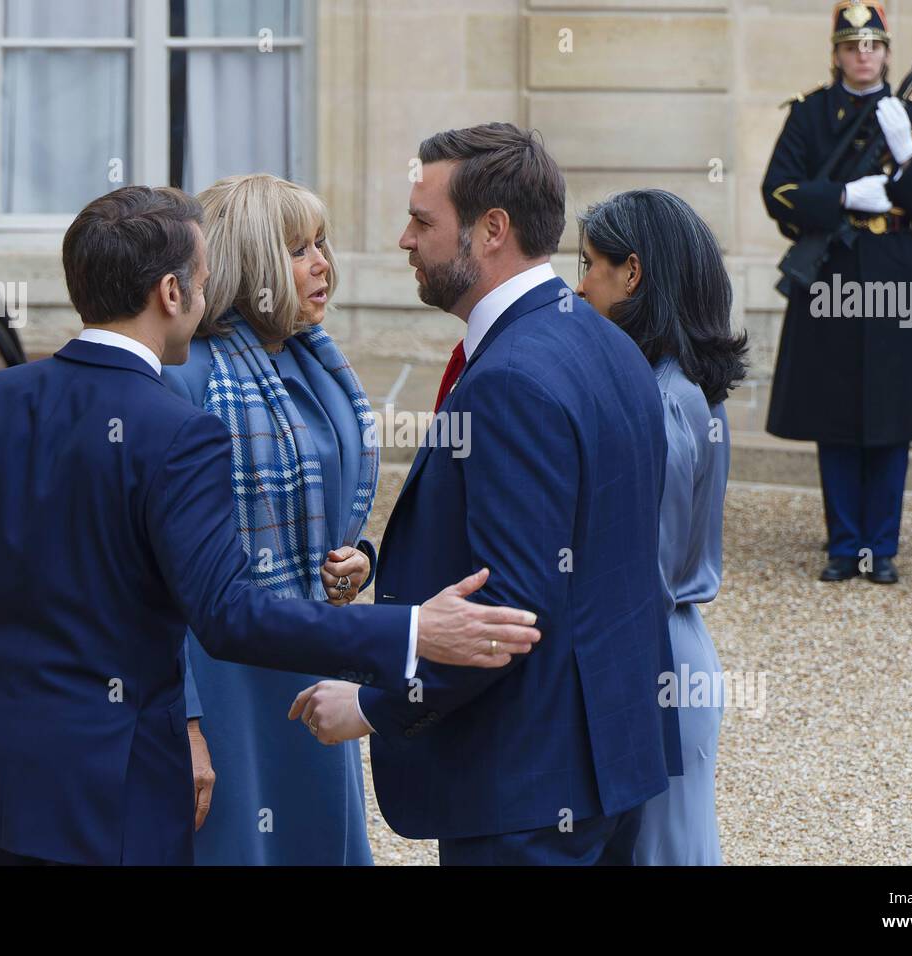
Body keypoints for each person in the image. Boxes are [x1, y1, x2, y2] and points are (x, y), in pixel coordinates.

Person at [0, 185, 542, 866]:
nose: (209, 295)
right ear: (172, 293)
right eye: (202, 280)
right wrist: (412, 630)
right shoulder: (178, 428)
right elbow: (226, 614)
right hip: (120, 782)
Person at [289, 123, 682, 866]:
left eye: (423, 220)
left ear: (491, 229)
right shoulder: (609, 344)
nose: (404, 239)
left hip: (527, 783)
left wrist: (373, 707)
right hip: (607, 759)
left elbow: (509, 608)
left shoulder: (509, 378)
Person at [161, 174, 378, 865]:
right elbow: (151, 569)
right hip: (225, 674)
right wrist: (186, 717)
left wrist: (358, 559)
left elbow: (330, 515)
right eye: (297, 250)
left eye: (321, 243)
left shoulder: (322, 365)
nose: (323, 264)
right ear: (250, 266)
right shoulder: (186, 376)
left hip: (313, 656)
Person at [575, 188, 747, 865]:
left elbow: (641, 567)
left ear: (634, 274)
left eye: (590, 264)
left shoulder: (663, 401)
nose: (580, 283)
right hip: (668, 649)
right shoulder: (677, 386)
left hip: (653, 657)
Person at [761, 0, 912, 584]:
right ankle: (844, 544)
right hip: (833, 271)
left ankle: (882, 546)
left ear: (886, 51)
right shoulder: (810, 114)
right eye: (852, 46)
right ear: (837, 53)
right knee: (835, 407)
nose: (863, 54)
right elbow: (779, 192)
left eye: (872, 45)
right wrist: (845, 198)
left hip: (895, 266)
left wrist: (905, 156)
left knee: (892, 411)